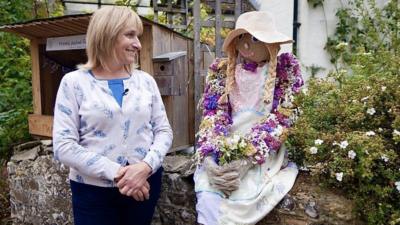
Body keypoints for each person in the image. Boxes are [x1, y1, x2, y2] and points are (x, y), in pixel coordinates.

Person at [52, 6, 173, 225]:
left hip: (144, 185)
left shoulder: (145, 81)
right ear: (106, 36)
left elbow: (163, 131)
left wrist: (145, 168)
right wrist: (121, 174)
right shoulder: (74, 83)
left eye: (138, 36)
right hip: (93, 193)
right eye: (130, 35)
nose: (138, 44)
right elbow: (63, 146)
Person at [194, 11, 304, 225]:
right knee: (210, 190)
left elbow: (282, 121)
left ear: (271, 43)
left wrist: (247, 159)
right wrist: (210, 156)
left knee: (247, 191)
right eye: (241, 38)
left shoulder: (285, 71)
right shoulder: (222, 71)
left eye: (254, 38)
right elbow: (211, 116)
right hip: (224, 145)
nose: (246, 45)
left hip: (264, 151)